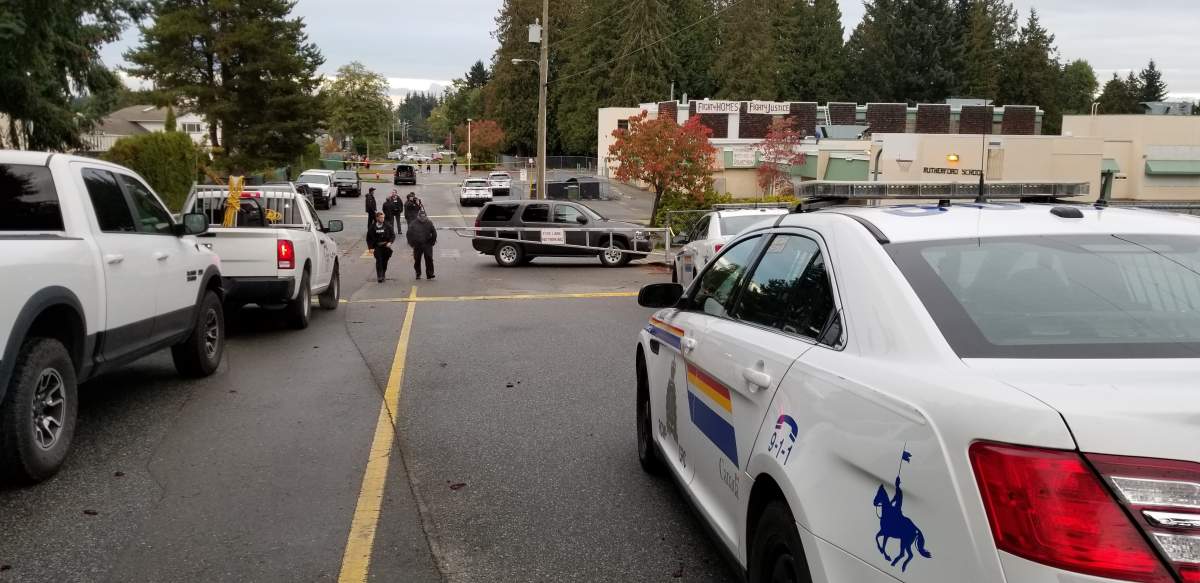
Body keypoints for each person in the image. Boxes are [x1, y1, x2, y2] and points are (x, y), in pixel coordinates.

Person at [407, 210, 437, 280]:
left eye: (424, 216)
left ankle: (430, 274)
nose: (423, 218)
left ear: (426, 216)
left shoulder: (429, 222)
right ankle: (418, 273)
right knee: (417, 260)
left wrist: (432, 242)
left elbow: (434, 233)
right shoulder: (413, 223)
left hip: (427, 244)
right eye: (421, 216)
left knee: (429, 259)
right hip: (417, 245)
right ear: (418, 216)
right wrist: (411, 243)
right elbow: (409, 234)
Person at [366, 211, 395, 283]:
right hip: (377, 247)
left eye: (383, 218)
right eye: (381, 218)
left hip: (386, 246)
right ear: (377, 218)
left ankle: (383, 273)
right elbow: (368, 238)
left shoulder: (388, 226)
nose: (382, 219)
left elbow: (392, 235)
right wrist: (370, 248)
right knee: (379, 261)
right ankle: (379, 276)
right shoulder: (372, 227)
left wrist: (390, 242)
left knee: (385, 261)